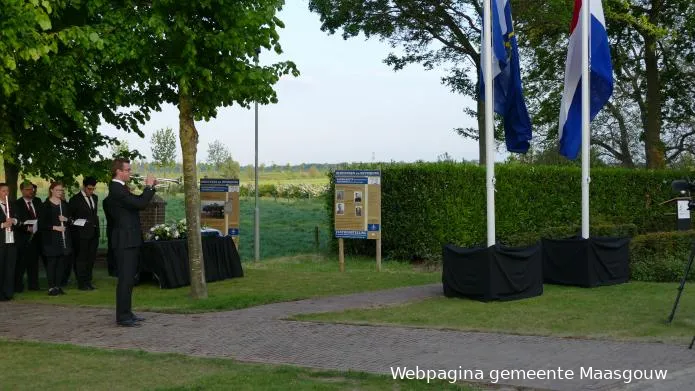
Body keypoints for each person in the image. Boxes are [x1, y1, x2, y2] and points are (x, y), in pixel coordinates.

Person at [103, 158, 156, 327]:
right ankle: (123, 316)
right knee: (125, 279)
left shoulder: (121, 189)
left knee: (129, 278)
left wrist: (148, 189)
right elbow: (140, 203)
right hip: (125, 241)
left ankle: (127, 312)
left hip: (129, 239)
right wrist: (149, 187)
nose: (130, 173)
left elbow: (136, 203)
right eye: (127, 170)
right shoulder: (117, 189)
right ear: (118, 171)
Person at [39, 182, 72, 296]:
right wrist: (55, 227)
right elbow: (41, 225)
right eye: (58, 190)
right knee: (52, 263)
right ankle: (51, 287)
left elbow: (70, 220)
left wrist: (66, 219)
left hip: (63, 238)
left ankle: (58, 286)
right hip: (51, 238)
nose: (60, 192)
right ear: (52, 190)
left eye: (61, 190)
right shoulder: (45, 205)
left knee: (61, 263)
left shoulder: (64, 205)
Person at [69, 176, 100, 290]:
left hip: (94, 233)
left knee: (91, 258)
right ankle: (81, 283)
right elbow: (70, 217)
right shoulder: (75, 200)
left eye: (93, 189)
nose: (91, 191)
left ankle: (88, 281)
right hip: (81, 234)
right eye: (89, 189)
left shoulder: (95, 198)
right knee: (81, 258)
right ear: (84, 187)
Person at [13, 181, 42, 292]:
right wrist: (26, 228)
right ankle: (18, 286)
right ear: (22, 190)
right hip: (23, 238)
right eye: (28, 190)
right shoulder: (17, 204)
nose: (31, 192)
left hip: (36, 237)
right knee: (21, 264)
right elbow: (17, 221)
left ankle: (34, 285)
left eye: (32, 189)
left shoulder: (38, 201)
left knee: (34, 263)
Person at [0, 183, 19, 301]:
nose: (6, 193)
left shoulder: (12, 205)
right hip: (1, 241)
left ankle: (8, 292)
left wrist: (14, 220)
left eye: (7, 191)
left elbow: (18, 218)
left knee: (10, 267)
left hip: (11, 240)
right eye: (3, 191)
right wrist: (3, 224)